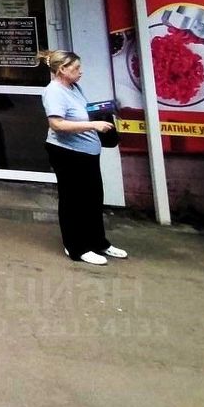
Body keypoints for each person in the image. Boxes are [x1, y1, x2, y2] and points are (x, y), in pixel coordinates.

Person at [41, 49, 128, 266]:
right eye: (76, 68)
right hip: (67, 153)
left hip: (87, 153)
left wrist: (102, 111)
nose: (81, 72)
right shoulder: (54, 92)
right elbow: (57, 124)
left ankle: (98, 242)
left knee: (93, 198)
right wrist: (93, 125)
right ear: (62, 69)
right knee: (73, 200)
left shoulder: (74, 87)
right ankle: (76, 247)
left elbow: (82, 111)